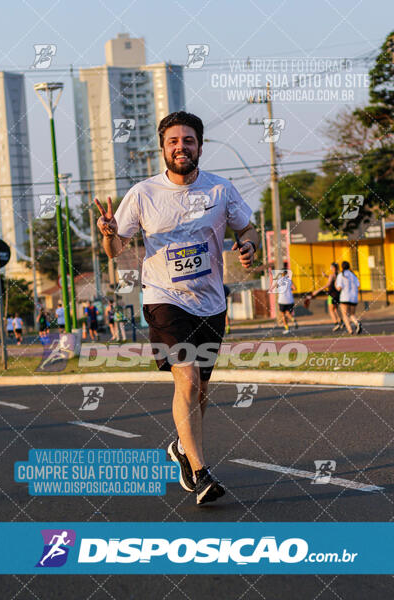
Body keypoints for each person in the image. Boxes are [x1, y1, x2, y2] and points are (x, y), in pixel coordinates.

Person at [95, 111, 259, 505]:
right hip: (164, 300)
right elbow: (116, 251)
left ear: (199, 146)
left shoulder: (221, 190)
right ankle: (202, 475)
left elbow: (247, 229)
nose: (181, 147)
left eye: (188, 140)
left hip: (210, 303)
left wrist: (249, 245)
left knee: (200, 389)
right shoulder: (143, 194)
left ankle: (183, 449)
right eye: (173, 141)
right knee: (185, 381)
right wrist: (111, 235)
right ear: (163, 148)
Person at [311, 263, 343, 331]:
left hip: (332, 294)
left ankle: (336, 324)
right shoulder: (339, 275)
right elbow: (333, 279)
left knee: (331, 310)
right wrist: (326, 276)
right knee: (335, 309)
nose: (330, 268)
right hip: (338, 294)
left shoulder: (332, 275)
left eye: (331, 267)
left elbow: (328, 284)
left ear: (333, 268)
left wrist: (317, 290)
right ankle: (341, 322)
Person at [335, 260, 361, 334]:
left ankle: (350, 330)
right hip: (354, 297)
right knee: (352, 314)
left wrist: (335, 284)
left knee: (345, 315)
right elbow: (358, 285)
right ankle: (357, 323)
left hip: (345, 297)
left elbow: (339, 288)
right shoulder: (353, 275)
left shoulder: (341, 275)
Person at [270, 269, 298, 334]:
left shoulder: (279, 280)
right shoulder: (290, 280)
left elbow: (273, 288)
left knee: (283, 315)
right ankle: (293, 320)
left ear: (281, 274)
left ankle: (287, 329)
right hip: (290, 300)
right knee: (288, 313)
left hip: (282, 300)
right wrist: (289, 289)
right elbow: (295, 288)